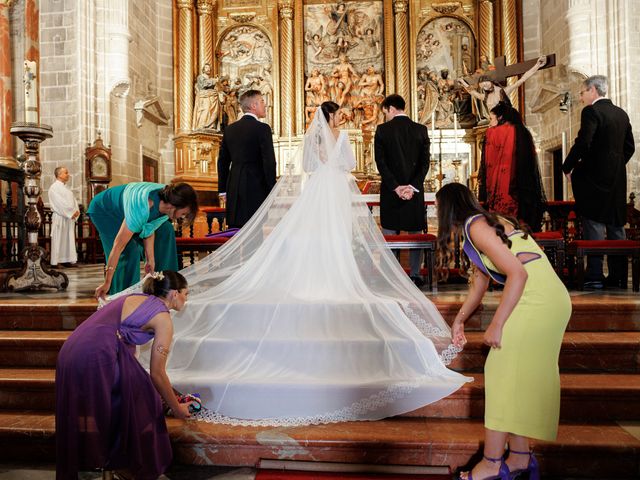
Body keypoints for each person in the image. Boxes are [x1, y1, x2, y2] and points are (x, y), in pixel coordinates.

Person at [134, 102, 469, 427]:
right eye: (339, 113)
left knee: (325, 238)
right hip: (337, 189)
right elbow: (348, 165)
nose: (343, 116)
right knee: (334, 239)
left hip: (319, 189)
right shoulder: (343, 137)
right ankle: (332, 278)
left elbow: (309, 166)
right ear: (332, 116)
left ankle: (321, 278)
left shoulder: (317, 137)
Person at [435, 183, 571, 480]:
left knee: (501, 374)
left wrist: (497, 323)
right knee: (516, 378)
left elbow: (518, 273)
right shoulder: (486, 223)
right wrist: (459, 321)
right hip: (549, 298)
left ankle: (492, 464)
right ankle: (520, 458)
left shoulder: (476, 227)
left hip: (536, 300)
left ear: (446, 208)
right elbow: (481, 283)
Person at [56, 271, 193, 480]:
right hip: (98, 354)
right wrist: (176, 407)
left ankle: (109, 462)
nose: (187, 298)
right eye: (186, 293)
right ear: (174, 294)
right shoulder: (164, 318)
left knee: (120, 396)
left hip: (72, 349)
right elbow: (157, 373)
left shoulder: (133, 298)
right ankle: (129, 464)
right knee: (146, 399)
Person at [562, 75, 635, 289]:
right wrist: (615, 164)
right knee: (615, 225)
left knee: (593, 223)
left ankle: (594, 276)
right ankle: (618, 276)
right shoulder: (621, 113)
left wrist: (568, 166)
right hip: (616, 180)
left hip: (594, 178)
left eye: (582, 92)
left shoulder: (591, 111)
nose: (581, 96)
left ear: (593, 90)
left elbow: (584, 141)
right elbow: (629, 147)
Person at [88, 182, 198, 298]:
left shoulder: (166, 209)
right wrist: (107, 282)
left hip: (130, 211)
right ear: (176, 205)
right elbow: (117, 247)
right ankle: (124, 297)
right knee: (128, 251)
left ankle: (165, 287)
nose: (182, 217)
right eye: (184, 213)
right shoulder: (143, 206)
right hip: (106, 210)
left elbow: (149, 229)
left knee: (166, 230)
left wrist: (150, 260)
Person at [374, 94, 430, 287]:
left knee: (391, 234)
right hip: (414, 193)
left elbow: (381, 163)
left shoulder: (382, 130)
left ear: (390, 109)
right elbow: (425, 164)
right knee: (415, 232)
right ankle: (415, 274)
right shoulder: (421, 130)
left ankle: (393, 277)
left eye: (385, 113)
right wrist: (412, 187)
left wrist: (396, 187)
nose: (386, 117)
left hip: (391, 192)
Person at [478, 102, 547, 232]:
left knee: (501, 222)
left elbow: (488, 162)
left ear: (500, 117)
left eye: (491, 119)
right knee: (519, 224)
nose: (489, 123)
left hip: (501, 184)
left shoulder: (493, 132)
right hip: (521, 187)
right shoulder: (522, 131)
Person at [217, 89, 277, 228]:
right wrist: (271, 189)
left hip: (234, 186)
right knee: (254, 231)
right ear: (254, 106)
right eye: (262, 101)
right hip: (256, 186)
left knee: (235, 229)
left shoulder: (230, 129)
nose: (265, 105)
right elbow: (269, 162)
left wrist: (222, 190)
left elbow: (223, 162)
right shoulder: (263, 128)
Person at [458, 56, 547, 113]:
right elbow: (472, 92)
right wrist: (462, 82)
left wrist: (537, 65)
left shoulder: (503, 92)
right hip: (494, 126)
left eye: (486, 84)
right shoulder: (485, 97)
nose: (485, 87)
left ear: (491, 81)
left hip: (506, 125)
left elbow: (522, 79)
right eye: (483, 87)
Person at [48, 166, 79, 267]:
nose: (68, 174)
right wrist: (71, 212)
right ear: (59, 174)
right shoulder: (54, 188)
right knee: (59, 239)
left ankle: (68, 259)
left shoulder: (66, 188)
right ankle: (56, 261)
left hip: (69, 217)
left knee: (68, 239)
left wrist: (76, 211)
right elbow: (59, 203)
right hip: (60, 216)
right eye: (66, 172)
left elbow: (73, 201)